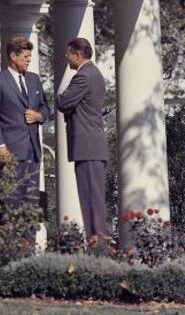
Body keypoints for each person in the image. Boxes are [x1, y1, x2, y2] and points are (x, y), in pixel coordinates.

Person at [56, 37, 108, 243]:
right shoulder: (93, 74)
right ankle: (98, 246)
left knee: (92, 202)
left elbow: (63, 101)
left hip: (88, 147)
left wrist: (62, 99)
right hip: (92, 147)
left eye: (68, 53)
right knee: (92, 201)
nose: (66, 57)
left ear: (78, 55)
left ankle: (98, 249)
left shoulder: (84, 76)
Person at [0, 37, 49, 210]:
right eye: (25, 56)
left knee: (31, 206)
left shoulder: (34, 79)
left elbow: (46, 108)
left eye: (30, 56)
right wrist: (0, 145)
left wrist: (39, 116)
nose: (29, 60)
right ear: (13, 56)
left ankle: (30, 239)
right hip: (10, 153)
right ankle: (12, 238)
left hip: (33, 152)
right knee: (12, 204)